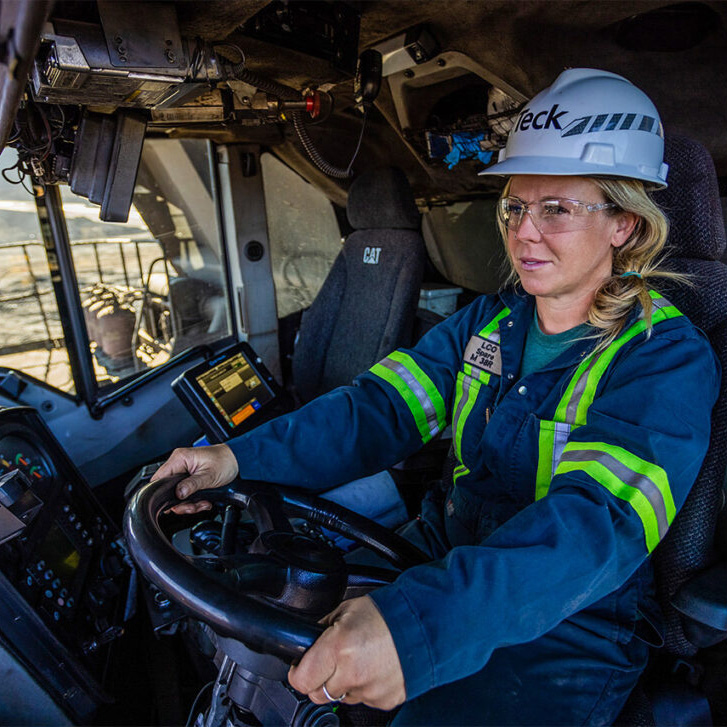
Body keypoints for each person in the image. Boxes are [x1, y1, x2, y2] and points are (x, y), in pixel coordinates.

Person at [153, 68, 720, 725]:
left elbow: (593, 526)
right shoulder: (488, 322)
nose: (523, 232)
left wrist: (415, 626)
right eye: (514, 206)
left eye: (556, 209)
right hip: (437, 553)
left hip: (570, 620)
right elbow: (378, 408)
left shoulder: (664, 356)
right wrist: (235, 460)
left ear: (623, 223)